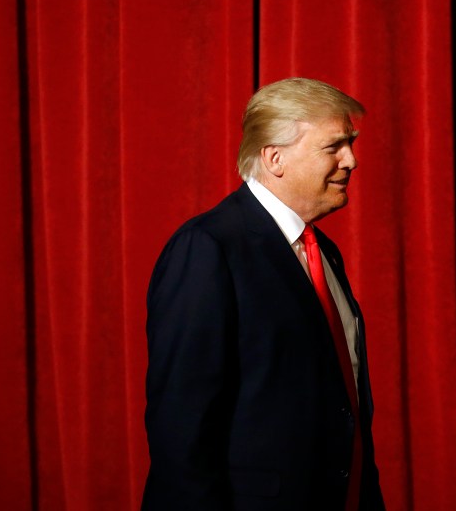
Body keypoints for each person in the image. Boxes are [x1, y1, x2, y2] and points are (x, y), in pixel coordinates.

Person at [142, 77, 386, 511]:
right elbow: (182, 429)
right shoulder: (208, 247)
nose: (351, 160)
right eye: (335, 147)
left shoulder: (322, 251)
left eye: (350, 143)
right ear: (275, 159)